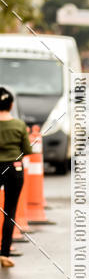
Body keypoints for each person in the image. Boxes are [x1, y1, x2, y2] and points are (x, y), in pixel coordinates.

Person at [0, 87, 32, 268]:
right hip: (14, 168)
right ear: (11, 105)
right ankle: (4, 254)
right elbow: (27, 150)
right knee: (9, 211)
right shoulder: (19, 125)